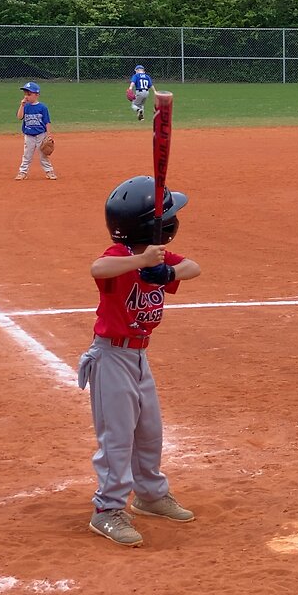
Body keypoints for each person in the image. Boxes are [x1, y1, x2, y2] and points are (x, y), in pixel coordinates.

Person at [79, 175, 201, 547]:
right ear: (152, 226)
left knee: (149, 431)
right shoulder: (120, 258)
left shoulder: (159, 258)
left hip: (138, 356)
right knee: (118, 436)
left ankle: (149, 494)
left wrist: (165, 271)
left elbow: (194, 267)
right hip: (110, 356)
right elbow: (97, 269)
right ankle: (108, 510)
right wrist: (139, 261)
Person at [15, 82, 56, 181]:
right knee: (27, 155)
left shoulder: (42, 107)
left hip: (41, 135)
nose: (26, 96)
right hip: (29, 135)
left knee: (43, 155)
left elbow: (47, 122)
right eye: (25, 94)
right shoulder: (25, 106)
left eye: (29, 94)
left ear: (37, 95)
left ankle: (49, 171)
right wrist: (22, 105)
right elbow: (19, 117)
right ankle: (22, 172)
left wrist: (48, 135)